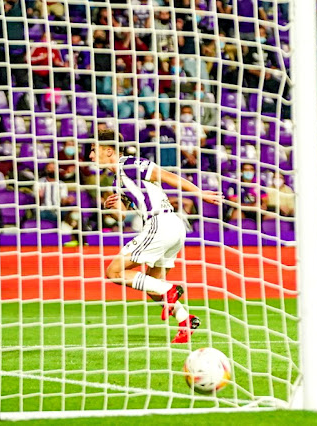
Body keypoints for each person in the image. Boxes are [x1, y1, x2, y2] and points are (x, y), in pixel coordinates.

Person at [90, 129, 221, 344]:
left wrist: (199, 193)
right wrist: (110, 207)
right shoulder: (117, 181)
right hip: (171, 228)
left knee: (114, 271)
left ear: (109, 150)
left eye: (95, 151)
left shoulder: (131, 164)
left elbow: (168, 176)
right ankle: (184, 319)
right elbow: (122, 216)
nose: (91, 156)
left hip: (160, 223)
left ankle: (170, 289)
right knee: (152, 285)